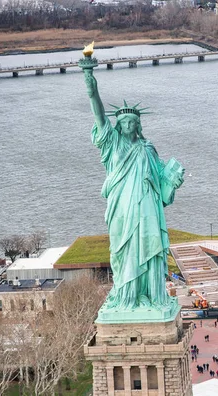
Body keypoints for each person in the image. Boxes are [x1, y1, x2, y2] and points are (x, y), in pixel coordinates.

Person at [83, 64, 184, 310]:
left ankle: (150, 296)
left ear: (138, 125)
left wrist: (173, 180)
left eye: (132, 121)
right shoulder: (112, 145)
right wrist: (91, 88)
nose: (128, 124)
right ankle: (127, 296)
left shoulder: (148, 148)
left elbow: (162, 185)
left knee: (150, 249)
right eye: (124, 121)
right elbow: (98, 115)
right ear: (117, 125)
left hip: (147, 207)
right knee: (124, 251)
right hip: (122, 208)